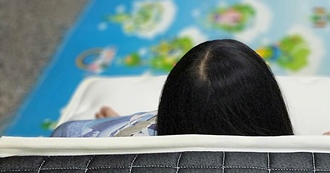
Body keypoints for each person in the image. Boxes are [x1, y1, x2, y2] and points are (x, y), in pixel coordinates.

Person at [51, 39, 294, 138]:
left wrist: (121, 134)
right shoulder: (295, 168)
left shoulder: (72, 135)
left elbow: (65, 134)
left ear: (172, 100)